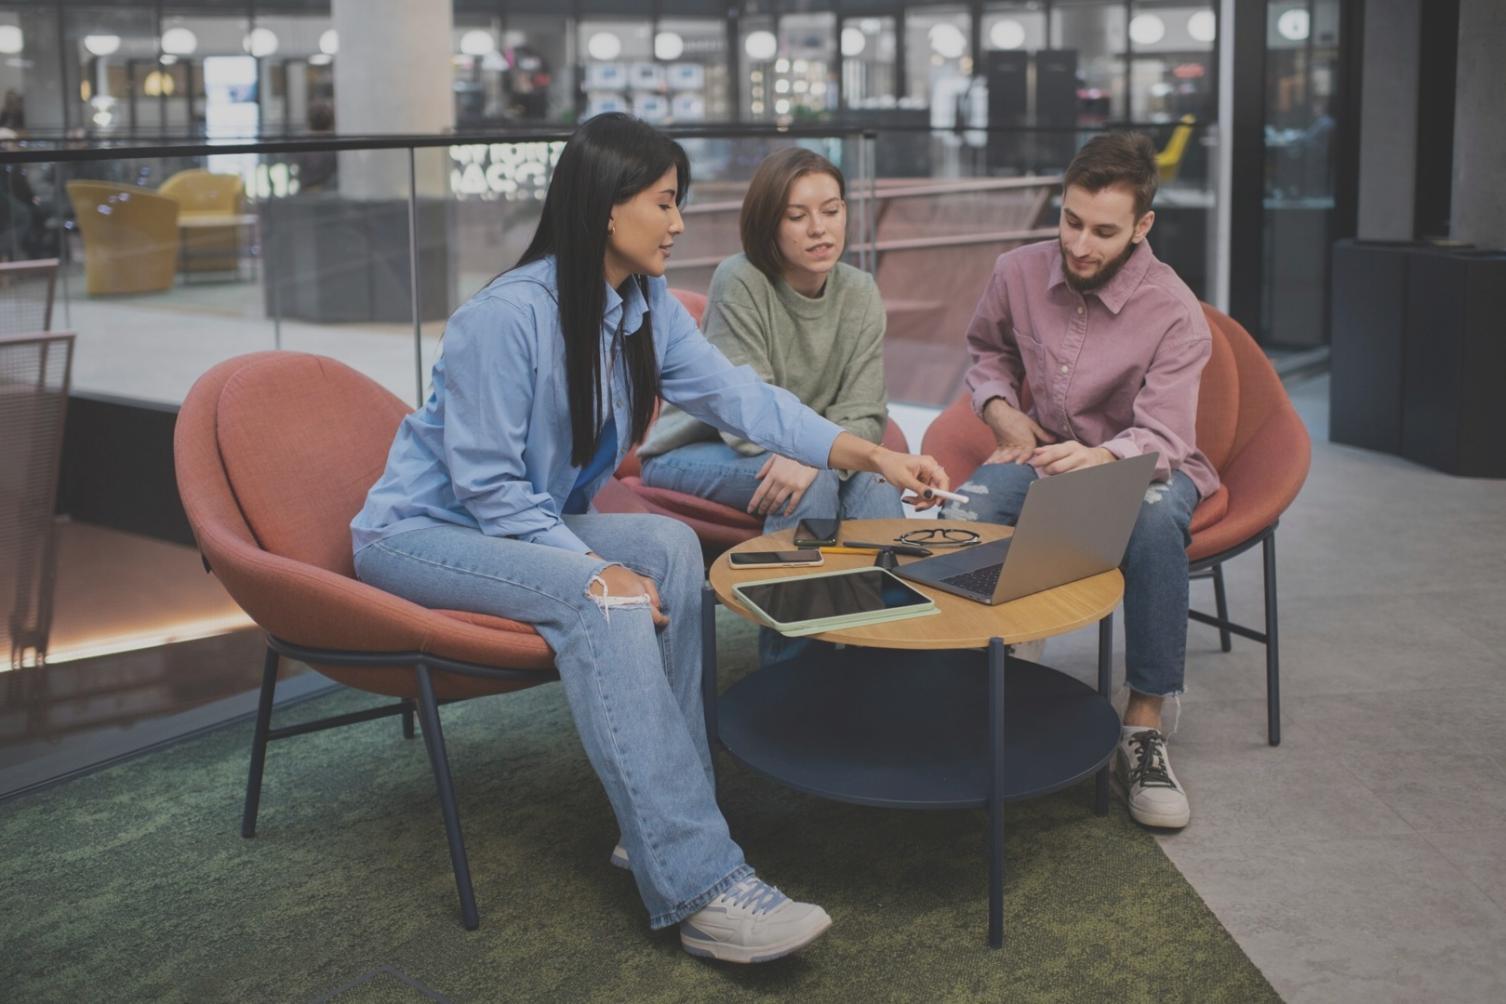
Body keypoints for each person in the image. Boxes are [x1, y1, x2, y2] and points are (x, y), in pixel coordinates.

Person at [350, 113, 949, 963]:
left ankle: (662, 827)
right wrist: (593, 569)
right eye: (664, 204)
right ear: (605, 209)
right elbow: (486, 490)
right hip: (420, 533)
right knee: (605, 600)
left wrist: (874, 452)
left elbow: (745, 401)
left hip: (520, 520)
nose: (677, 224)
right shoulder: (504, 319)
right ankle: (703, 887)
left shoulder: (642, 305)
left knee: (667, 549)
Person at [943, 131, 1218, 831]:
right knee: (961, 517)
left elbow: (1164, 437)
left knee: (1154, 522)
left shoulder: (1177, 313)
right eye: (1071, 222)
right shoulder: (1016, 271)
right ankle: (964, 686)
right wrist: (1001, 410)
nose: (1082, 245)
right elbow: (987, 352)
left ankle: (1144, 728)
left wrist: (1099, 459)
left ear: (1142, 227)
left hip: (1143, 465)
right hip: (1041, 455)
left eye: (1103, 231)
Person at [634, 147, 904, 664]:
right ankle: (790, 671)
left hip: (803, 453)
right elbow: (740, 419)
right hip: (695, 453)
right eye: (797, 216)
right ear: (768, 223)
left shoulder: (860, 292)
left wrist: (819, 453)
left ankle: (879, 660)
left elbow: (867, 413)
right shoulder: (741, 279)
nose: (819, 229)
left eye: (831, 210)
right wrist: (817, 455)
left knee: (874, 478)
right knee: (822, 477)